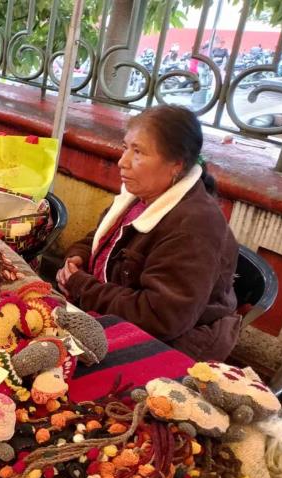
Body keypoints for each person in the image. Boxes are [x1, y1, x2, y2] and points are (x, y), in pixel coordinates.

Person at [56, 105, 240, 361]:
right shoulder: (140, 195)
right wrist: (78, 257)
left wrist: (82, 286)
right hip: (111, 312)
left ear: (176, 164)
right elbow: (100, 237)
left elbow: (160, 317)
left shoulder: (194, 226)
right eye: (125, 147)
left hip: (173, 344)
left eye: (138, 152)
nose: (123, 161)